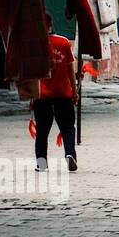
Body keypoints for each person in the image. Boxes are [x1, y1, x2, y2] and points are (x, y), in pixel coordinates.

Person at [33, 13, 79, 172]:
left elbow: (31, 75)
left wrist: (31, 97)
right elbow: (70, 70)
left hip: (42, 95)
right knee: (67, 127)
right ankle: (70, 153)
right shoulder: (63, 42)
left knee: (42, 131)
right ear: (51, 25)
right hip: (63, 94)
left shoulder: (35, 45)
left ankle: (41, 163)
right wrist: (74, 91)